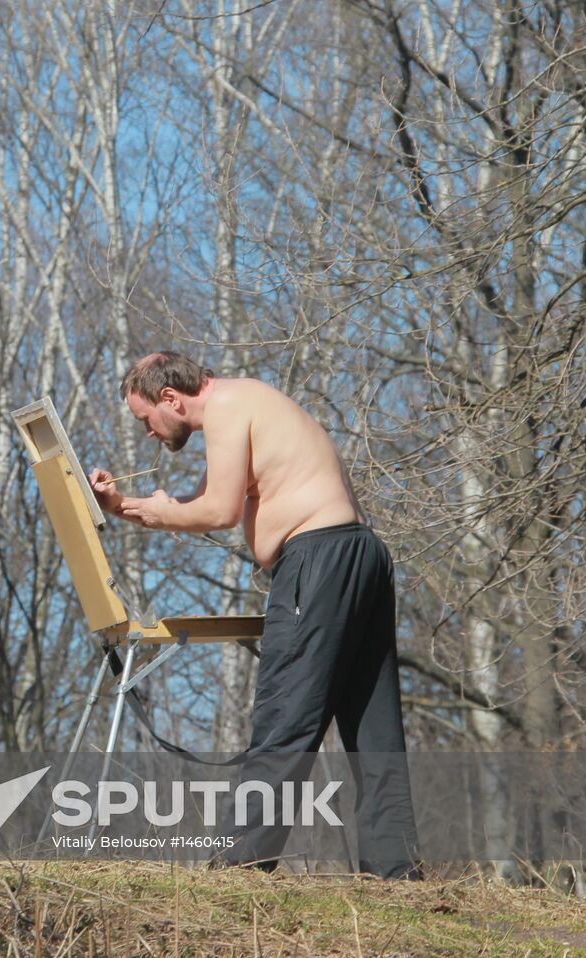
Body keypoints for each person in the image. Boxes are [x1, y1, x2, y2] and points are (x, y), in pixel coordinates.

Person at [87, 351, 420, 879]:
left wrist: (150, 511)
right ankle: (395, 871)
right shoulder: (247, 401)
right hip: (361, 554)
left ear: (170, 399)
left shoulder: (226, 408)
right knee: (373, 729)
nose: (149, 433)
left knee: (285, 714)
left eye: (145, 418)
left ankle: (238, 864)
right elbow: (199, 501)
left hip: (317, 557)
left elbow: (217, 511)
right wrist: (124, 505)